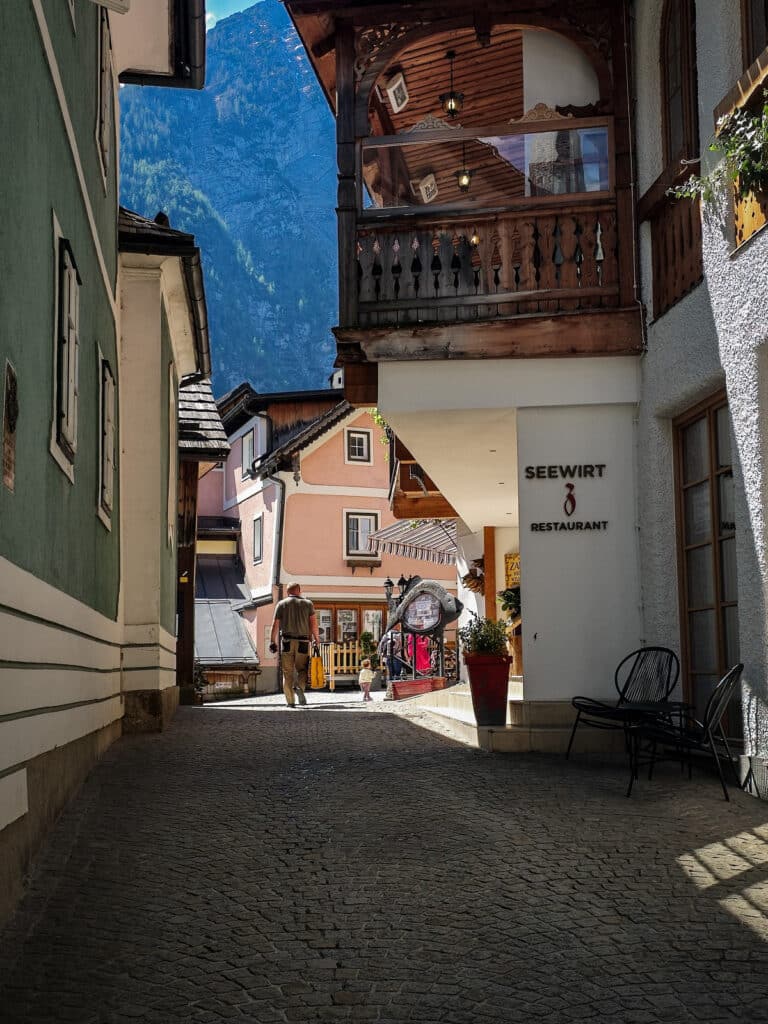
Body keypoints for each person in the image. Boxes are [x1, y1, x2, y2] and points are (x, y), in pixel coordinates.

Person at [269, 582, 319, 708]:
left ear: (287, 592)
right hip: (303, 641)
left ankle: (290, 701)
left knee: (287, 672)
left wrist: (272, 641)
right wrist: (316, 639)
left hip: (287, 641)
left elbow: (275, 624)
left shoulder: (281, 604)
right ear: (299, 591)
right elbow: (313, 624)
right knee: (302, 669)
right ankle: (300, 687)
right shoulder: (308, 604)